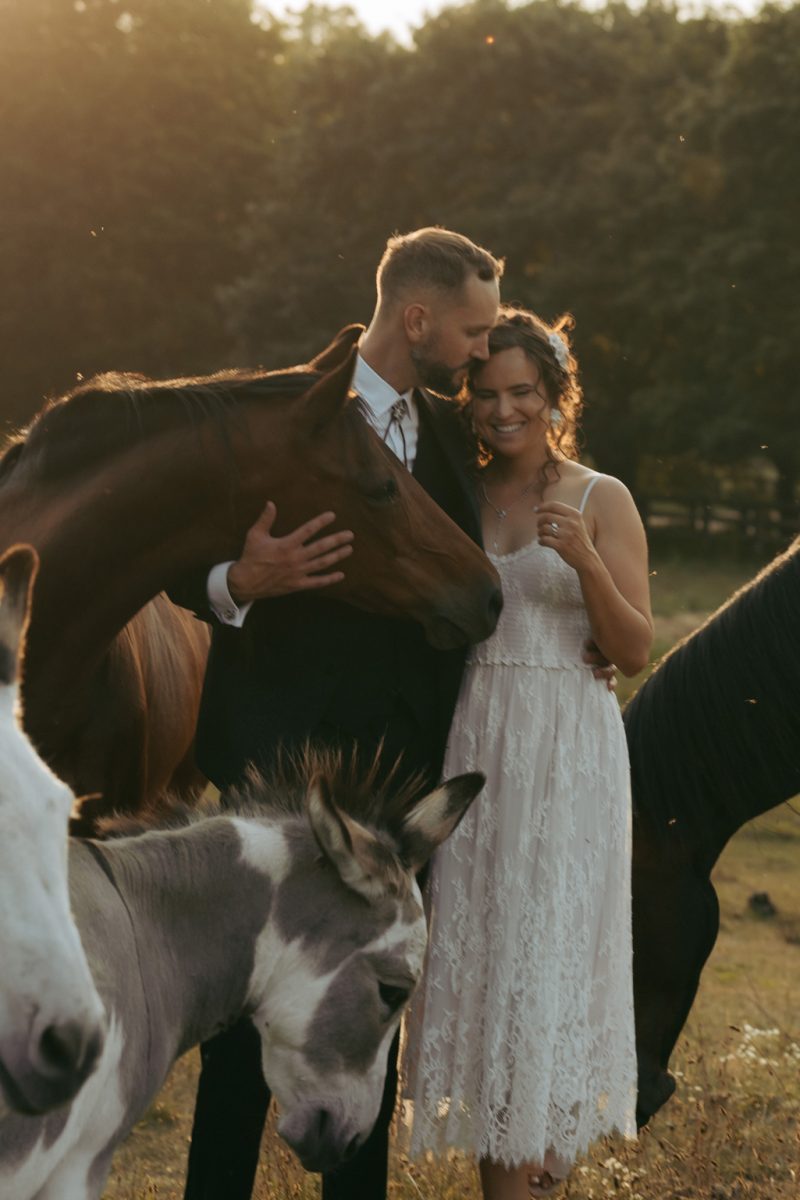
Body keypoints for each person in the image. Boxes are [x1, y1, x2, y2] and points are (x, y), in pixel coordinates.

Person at [174, 226, 505, 1200]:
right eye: (473, 330)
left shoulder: (454, 436)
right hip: (276, 764)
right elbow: (179, 561)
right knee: (242, 1019)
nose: (483, 349)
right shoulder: (278, 413)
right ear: (418, 319)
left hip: (400, 779)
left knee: (368, 1009)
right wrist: (240, 580)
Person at [403, 306, 654, 1200]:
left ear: (553, 395)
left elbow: (633, 649)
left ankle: (536, 1173)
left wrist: (586, 561)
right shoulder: (454, 492)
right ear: (467, 401)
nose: (503, 410)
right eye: (486, 393)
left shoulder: (601, 497)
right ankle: (523, 1178)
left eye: (522, 392)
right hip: (475, 742)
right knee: (489, 962)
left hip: (567, 753)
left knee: (545, 962)